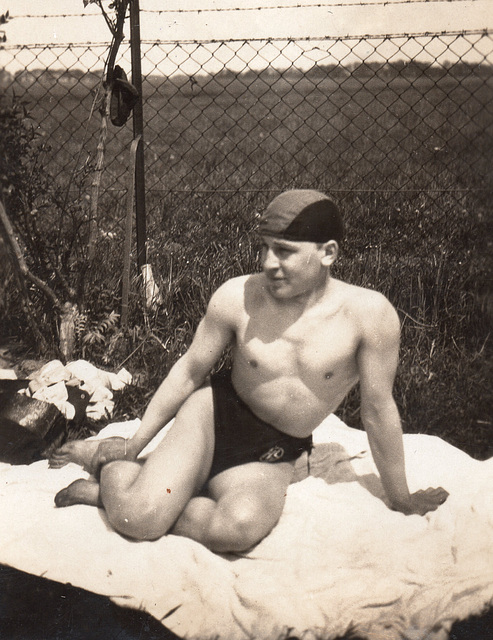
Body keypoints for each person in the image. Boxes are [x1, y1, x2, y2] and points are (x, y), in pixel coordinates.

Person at [50, 189, 449, 553]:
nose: (269, 263)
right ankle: (114, 469)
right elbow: (189, 372)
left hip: (273, 449)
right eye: (264, 249)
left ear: (328, 252)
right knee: (137, 521)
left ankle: (140, 489)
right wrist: (136, 442)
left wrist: (401, 497)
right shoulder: (237, 295)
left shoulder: (369, 316)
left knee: (236, 530)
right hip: (212, 416)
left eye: (285, 251)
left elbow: (378, 409)